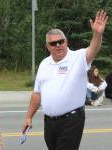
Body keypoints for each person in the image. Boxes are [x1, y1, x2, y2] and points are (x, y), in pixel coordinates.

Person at [22, 10, 108, 150]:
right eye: (53, 43)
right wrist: (28, 117)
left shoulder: (78, 57)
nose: (58, 45)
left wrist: (97, 34)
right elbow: (37, 94)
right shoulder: (44, 64)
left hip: (72, 120)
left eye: (61, 41)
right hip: (49, 122)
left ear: (66, 41)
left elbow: (93, 49)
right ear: (48, 46)